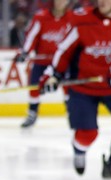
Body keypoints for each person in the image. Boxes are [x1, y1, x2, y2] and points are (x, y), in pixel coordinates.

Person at [39, 0, 111, 180]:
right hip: (84, 88)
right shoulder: (82, 19)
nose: (102, 1)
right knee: (88, 134)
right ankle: (79, 149)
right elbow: (64, 50)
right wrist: (53, 74)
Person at [14, 0, 72, 129]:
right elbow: (31, 37)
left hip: (62, 63)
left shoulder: (72, 18)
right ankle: (32, 113)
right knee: (34, 86)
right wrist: (25, 52)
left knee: (68, 87)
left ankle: (72, 113)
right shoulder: (41, 17)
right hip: (42, 62)